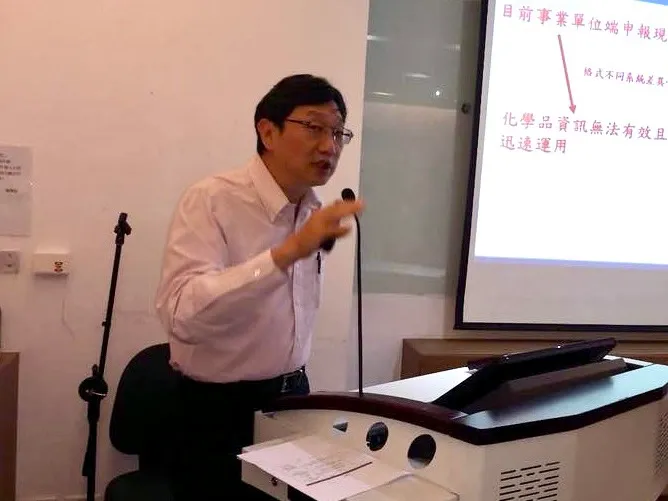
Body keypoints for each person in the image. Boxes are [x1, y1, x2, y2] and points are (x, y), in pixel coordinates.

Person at [154, 74, 364, 500]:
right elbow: (180, 314)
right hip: (217, 410)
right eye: (314, 127)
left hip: (294, 398)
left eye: (338, 132)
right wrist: (284, 254)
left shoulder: (315, 210)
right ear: (268, 132)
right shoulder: (212, 199)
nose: (330, 146)